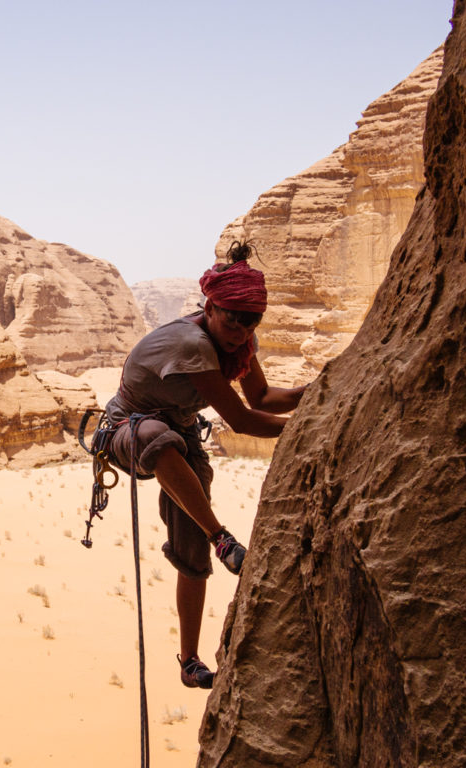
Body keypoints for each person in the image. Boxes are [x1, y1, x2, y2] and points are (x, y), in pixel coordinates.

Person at [104, 240, 307, 689]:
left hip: (180, 431)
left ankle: (190, 663)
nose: (241, 328)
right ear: (210, 307)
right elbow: (240, 419)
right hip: (130, 428)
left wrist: (317, 392)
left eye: (250, 320)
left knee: (190, 551)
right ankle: (223, 538)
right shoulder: (193, 345)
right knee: (159, 439)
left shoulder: (241, 342)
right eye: (232, 317)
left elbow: (263, 398)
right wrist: (306, 426)